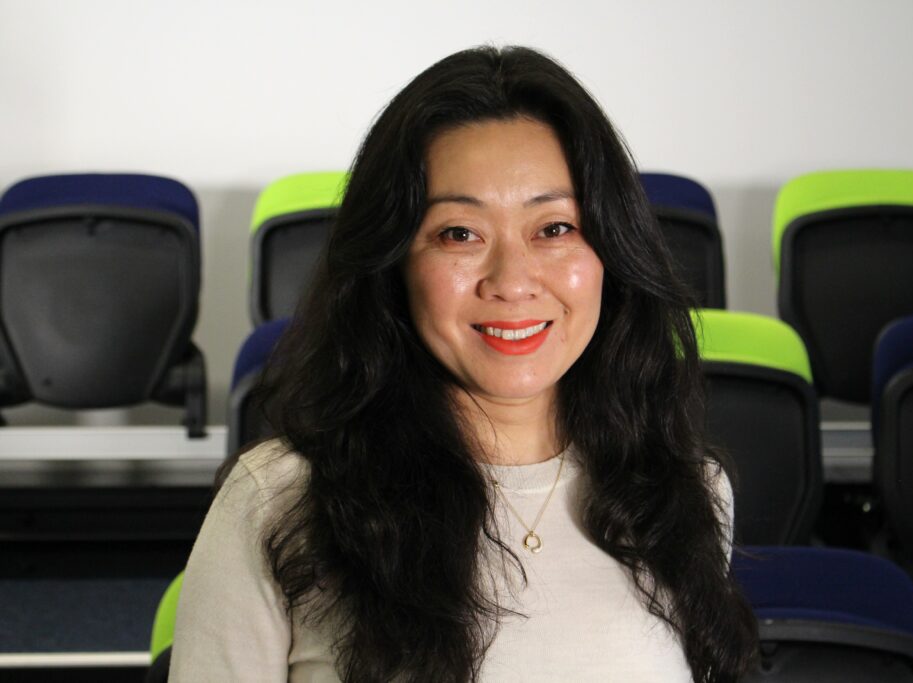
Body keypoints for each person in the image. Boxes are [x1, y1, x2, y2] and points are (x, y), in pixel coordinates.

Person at [170, 45, 758, 682]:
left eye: (554, 228)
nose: (512, 281)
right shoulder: (278, 503)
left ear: (611, 251)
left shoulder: (686, 491)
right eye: (459, 233)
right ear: (394, 263)